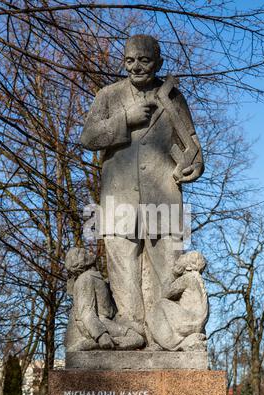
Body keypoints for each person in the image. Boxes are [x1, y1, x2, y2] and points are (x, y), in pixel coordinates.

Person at [81, 35, 204, 344]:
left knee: (168, 269)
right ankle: (132, 332)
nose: (136, 66)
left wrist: (195, 166)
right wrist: (125, 119)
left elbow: (191, 143)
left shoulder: (173, 97)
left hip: (163, 196)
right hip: (119, 198)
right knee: (123, 269)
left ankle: (169, 336)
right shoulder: (108, 96)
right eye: (130, 60)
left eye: (144, 60)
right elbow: (88, 138)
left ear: (158, 63)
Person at [65, 247, 144, 352]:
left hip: (109, 320)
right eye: (83, 253)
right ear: (80, 262)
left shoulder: (95, 277)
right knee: (137, 339)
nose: (89, 252)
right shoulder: (85, 279)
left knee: (140, 329)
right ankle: (91, 344)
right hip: (98, 323)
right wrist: (101, 335)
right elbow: (86, 313)